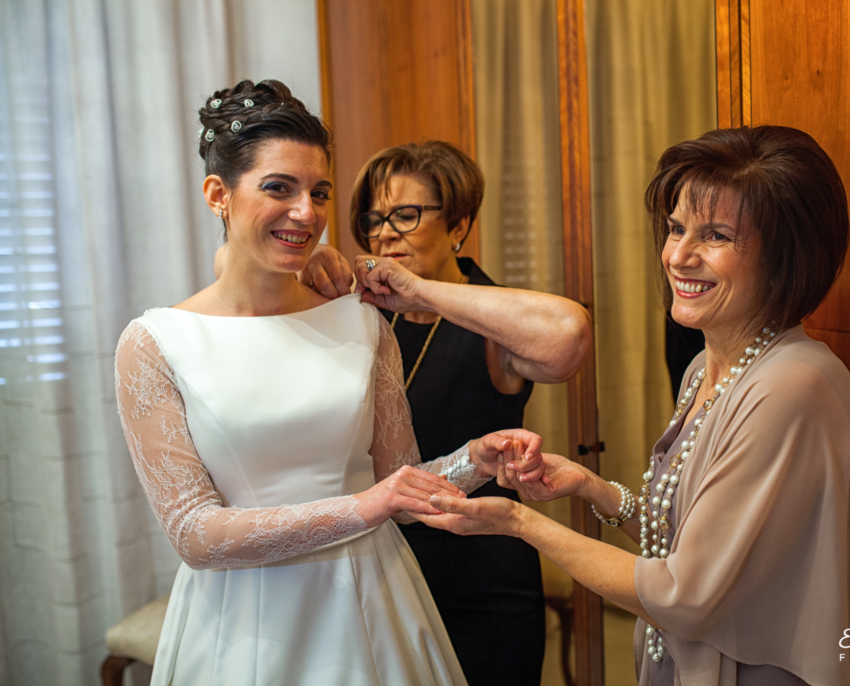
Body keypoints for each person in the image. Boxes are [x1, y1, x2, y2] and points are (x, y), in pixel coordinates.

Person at [114, 79, 545, 686]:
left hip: (372, 598)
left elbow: (403, 485)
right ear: (218, 194)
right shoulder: (154, 344)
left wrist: (473, 460)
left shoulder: (361, 323)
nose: (306, 213)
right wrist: (366, 505)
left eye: (318, 193)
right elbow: (194, 534)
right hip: (246, 618)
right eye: (279, 188)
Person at [415, 126, 850, 686]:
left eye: (717, 236)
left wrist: (519, 522)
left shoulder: (792, 387)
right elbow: (684, 542)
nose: (678, 256)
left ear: (786, 254)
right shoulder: (705, 368)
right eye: (676, 228)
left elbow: (684, 594)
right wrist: (590, 487)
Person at [292, 141, 592, 686]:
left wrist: (424, 292)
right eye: (375, 220)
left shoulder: (492, 319)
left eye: (406, 215)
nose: (386, 234)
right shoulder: (366, 317)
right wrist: (310, 267)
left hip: (481, 585)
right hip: (383, 572)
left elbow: (567, 336)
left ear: (458, 225)